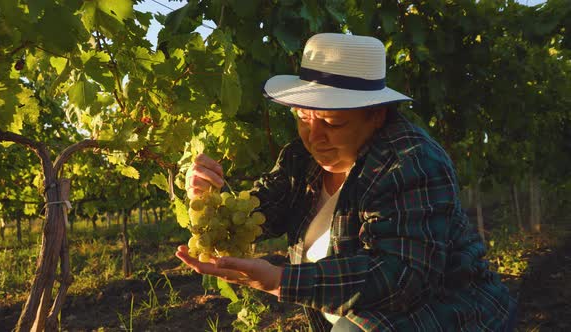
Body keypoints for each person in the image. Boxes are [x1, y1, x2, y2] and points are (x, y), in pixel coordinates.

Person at [176, 33, 516, 331]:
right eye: (303, 118)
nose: (314, 137)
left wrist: (279, 280)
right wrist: (208, 198)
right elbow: (260, 214)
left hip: (445, 314)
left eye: (333, 123)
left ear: (377, 115)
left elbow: (399, 278)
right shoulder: (299, 159)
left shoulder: (412, 162)